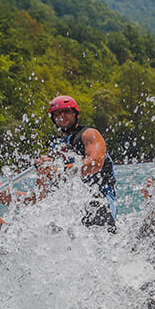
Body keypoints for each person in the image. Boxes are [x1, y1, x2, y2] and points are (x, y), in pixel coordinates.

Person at [38, 95, 117, 231]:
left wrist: (60, 169)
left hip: (100, 197)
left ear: (75, 114)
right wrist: (44, 169)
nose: (63, 116)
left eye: (67, 111)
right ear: (53, 118)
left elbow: (96, 163)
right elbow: (53, 181)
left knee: (92, 203)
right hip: (72, 203)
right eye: (58, 113)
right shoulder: (55, 146)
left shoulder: (89, 134)